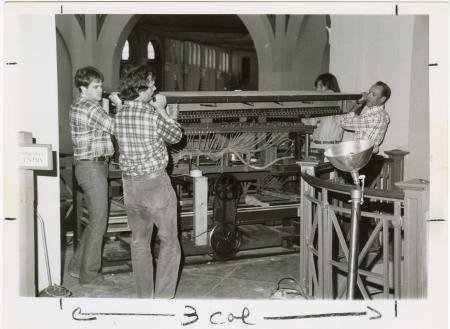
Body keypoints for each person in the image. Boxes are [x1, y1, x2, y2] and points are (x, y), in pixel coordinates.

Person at [114, 65, 183, 298]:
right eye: (152, 84)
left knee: (139, 242)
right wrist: (163, 110)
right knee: (169, 242)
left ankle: (145, 299)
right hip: (155, 185)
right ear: (140, 88)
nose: (155, 87)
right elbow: (176, 136)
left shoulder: (119, 114)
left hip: (130, 186)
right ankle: (164, 300)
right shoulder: (151, 115)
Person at [68, 66, 121, 286]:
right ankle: (89, 276)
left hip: (89, 167)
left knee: (94, 222)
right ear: (83, 87)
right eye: (96, 86)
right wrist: (119, 106)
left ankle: (75, 268)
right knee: (100, 222)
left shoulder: (79, 105)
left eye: (101, 85)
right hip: (92, 168)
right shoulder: (90, 107)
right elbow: (116, 127)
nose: (101, 90)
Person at [339, 81, 391, 154]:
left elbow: (343, 123)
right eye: (369, 92)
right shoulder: (382, 114)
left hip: (363, 156)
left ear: (382, 99)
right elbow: (357, 119)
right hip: (367, 155)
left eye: (373, 94)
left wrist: (357, 104)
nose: (368, 96)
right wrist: (361, 104)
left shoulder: (374, 117)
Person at [306, 73, 344, 152]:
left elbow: (332, 95)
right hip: (314, 145)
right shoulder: (318, 104)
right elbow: (312, 123)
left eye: (321, 86)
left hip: (330, 146)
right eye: (317, 87)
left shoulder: (338, 102)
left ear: (330, 87)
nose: (318, 90)